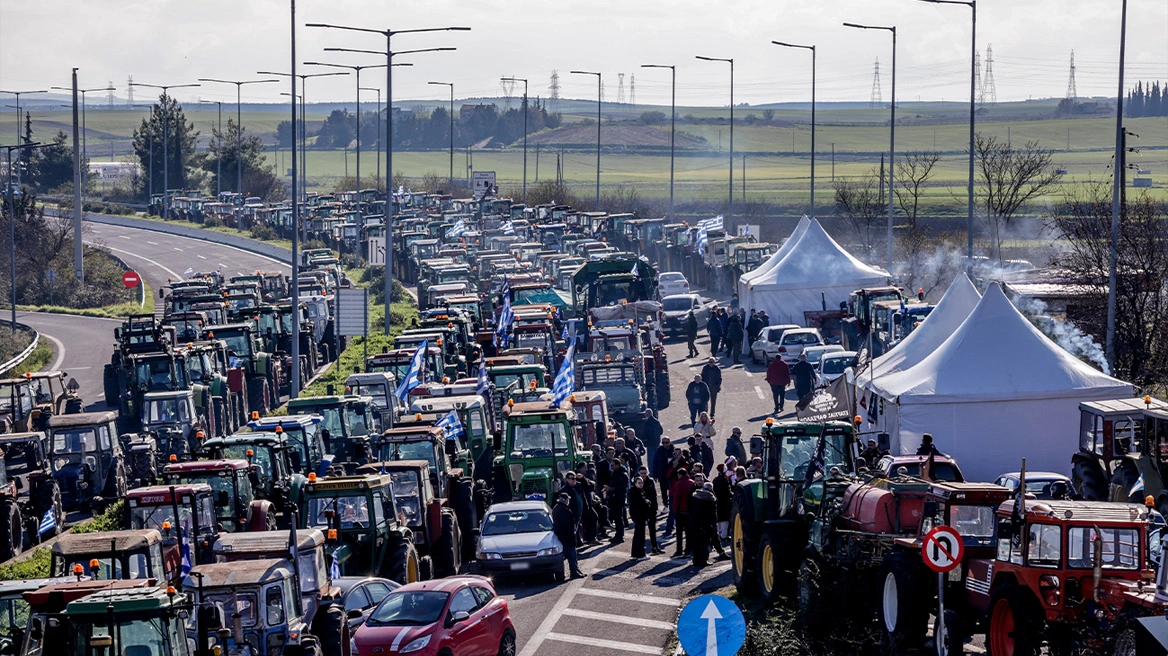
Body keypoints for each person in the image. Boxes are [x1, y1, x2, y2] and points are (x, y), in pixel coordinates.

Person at [689, 481, 721, 567]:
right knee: (705, 543)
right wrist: (713, 524)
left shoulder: (696, 496)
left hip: (695, 523)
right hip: (706, 524)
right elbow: (713, 514)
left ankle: (695, 560)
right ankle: (703, 560)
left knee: (697, 542)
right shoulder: (711, 499)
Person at [553, 493, 584, 579]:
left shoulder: (557, 508)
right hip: (568, 537)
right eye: (567, 499)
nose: (568, 501)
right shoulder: (564, 510)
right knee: (572, 554)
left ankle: (563, 574)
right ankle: (574, 571)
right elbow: (567, 524)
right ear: (565, 500)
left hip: (561, 536)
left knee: (564, 556)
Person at [669, 468, 695, 558]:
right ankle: (688, 549)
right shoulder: (692, 483)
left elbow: (676, 499)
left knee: (679, 533)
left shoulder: (679, 484)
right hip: (689, 511)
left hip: (680, 511)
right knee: (688, 532)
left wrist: (675, 511)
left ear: (680, 475)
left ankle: (679, 550)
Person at [629, 476, 655, 558]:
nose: (641, 484)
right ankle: (640, 555)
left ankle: (635, 554)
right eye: (639, 483)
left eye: (642, 483)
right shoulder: (636, 492)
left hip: (638, 516)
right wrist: (647, 503)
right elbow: (643, 503)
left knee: (637, 535)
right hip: (639, 516)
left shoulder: (637, 491)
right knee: (640, 535)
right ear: (635, 484)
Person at [607, 461, 629, 544]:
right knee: (616, 517)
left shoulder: (622, 475)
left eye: (613, 465)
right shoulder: (615, 473)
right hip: (614, 498)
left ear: (618, 465)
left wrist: (611, 489)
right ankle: (618, 535)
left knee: (618, 518)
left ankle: (620, 536)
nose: (611, 467)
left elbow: (623, 488)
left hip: (619, 498)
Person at [651, 436, 674, 508]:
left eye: (666, 442)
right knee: (663, 491)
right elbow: (655, 463)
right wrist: (655, 475)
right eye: (663, 442)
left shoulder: (673, 451)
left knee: (672, 490)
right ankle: (665, 505)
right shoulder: (659, 451)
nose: (665, 444)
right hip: (662, 474)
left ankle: (672, 504)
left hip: (672, 475)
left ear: (669, 442)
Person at [713, 464, 733, 540]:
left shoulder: (715, 479)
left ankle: (719, 533)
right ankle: (724, 535)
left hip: (717, 501)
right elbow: (727, 491)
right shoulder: (725, 479)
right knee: (725, 519)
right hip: (725, 502)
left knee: (719, 518)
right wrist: (733, 495)